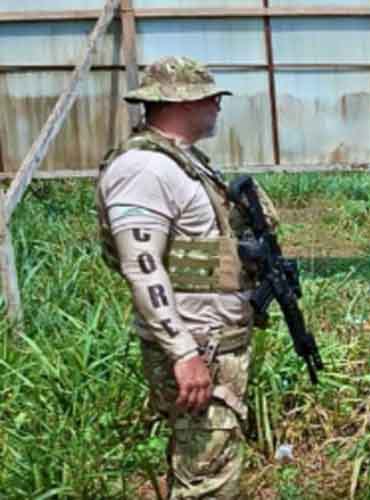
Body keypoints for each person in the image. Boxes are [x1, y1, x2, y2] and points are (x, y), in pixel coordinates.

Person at [96, 56, 276, 498]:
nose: (217, 105)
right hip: (197, 347)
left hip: (213, 343)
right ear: (182, 101)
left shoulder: (184, 162)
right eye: (209, 97)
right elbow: (142, 266)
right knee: (207, 484)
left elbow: (192, 254)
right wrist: (183, 353)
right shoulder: (143, 169)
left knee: (204, 468)